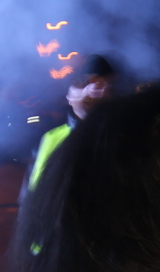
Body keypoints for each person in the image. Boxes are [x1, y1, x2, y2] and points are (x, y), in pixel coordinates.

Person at [23, 54, 116, 198]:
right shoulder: (50, 139)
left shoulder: (127, 136)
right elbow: (31, 196)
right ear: (69, 97)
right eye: (83, 82)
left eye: (101, 82)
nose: (92, 89)